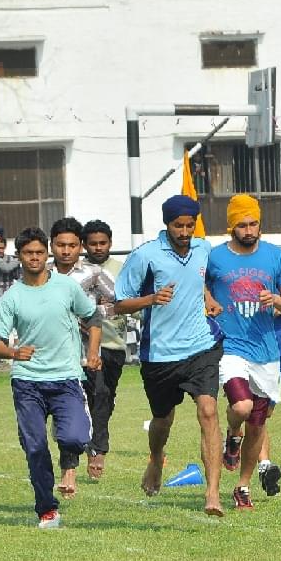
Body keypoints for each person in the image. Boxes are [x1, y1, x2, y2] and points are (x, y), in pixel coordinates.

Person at [114, 195, 226, 516]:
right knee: (163, 420)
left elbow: (198, 278)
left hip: (201, 347)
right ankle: (156, 459)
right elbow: (119, 304)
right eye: (179, 226)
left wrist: (208, 298)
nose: (185, 232)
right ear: (167, 224)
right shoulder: (145, 256)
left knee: (208, 411)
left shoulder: (203, 248)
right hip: (160, 355)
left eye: (190, 225)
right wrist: (151, 298)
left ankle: (212, 493)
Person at [0, 227, 97, 528]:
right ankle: (47, 508)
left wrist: (92, 351)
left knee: (74, 438)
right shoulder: (12, 297)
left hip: (66, 378)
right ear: (19, 256)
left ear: (46, 253)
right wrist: (14, 353)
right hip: (27, 382)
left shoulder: (66, 287)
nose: (34, 258)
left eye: (39, 252)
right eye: (28, 253)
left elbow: (92, 316)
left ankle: (65, 435)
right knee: (35, 448)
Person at [206, 194, 281, 508]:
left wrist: (277, 300)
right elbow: (198, 284)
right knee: (242, 407)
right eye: (242, 225)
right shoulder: (215, 257)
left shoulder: (275, 256)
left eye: (253, 224)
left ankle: (243, 486)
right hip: (230, 346)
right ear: (231, 226)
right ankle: (232, 434)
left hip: (266, 350)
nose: (248, 230)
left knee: (259, 424)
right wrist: (209, 300)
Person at [54, 218, 129, 492]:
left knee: (101, 398)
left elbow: (120, 302)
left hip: (102, 347)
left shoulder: (96, 273)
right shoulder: (44, 274)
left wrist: (92, 315)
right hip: (58, 353)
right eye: (61, 245)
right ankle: (72, 463)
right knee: (70, 406)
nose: (66, 250)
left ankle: (97, 447)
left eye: (71, 245)